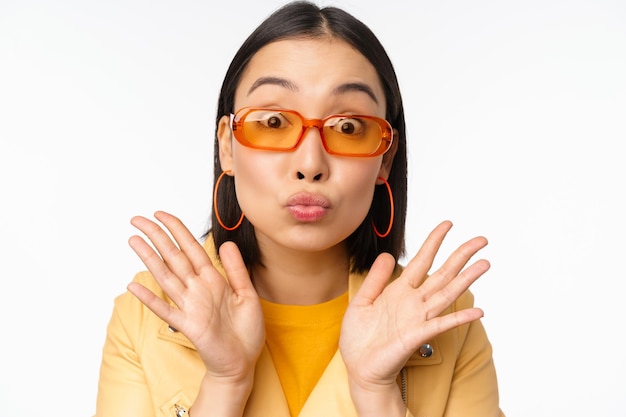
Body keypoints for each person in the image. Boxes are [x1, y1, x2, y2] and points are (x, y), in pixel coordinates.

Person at [94, 1, 505, 416]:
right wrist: (225, 383)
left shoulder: (446, 322)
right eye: (273, 122)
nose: (310, 164)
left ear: (385, 158)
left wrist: (376, 392)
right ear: (227, 146)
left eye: (348, 128)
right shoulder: (146, 314)